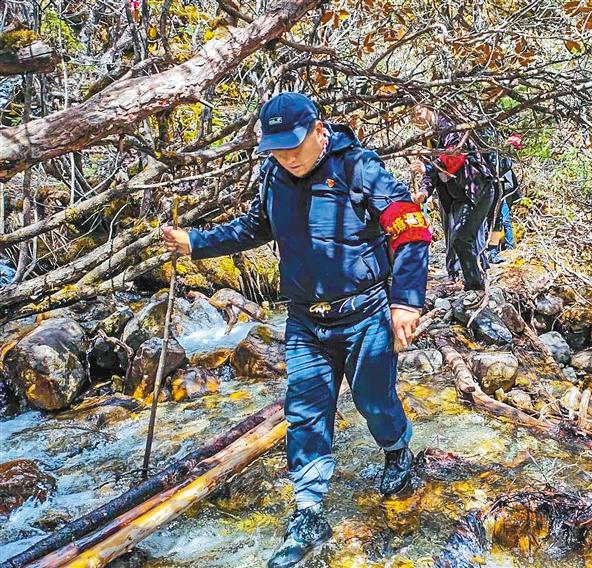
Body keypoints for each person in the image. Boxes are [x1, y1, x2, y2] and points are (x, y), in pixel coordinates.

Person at [161, 92, 431, 568]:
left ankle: (396, 450)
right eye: (277, 148)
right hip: (306, 319)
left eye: (293, 145)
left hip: (365, 314)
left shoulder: (359, 168)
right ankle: (308, 510)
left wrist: (405, 301)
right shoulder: (273, 177)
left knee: (374, 400)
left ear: (319, 131)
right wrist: (195, 243)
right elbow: (252, 228)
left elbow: (410, 229)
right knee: (304, 410)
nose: (286, 156)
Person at [409, 104, 496, 305]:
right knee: (460, 238)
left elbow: (454, 155)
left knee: (463, 237)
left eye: (418, 113)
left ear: (429, 108)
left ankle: (476, 285)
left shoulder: (448, 126)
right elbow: (429, 176)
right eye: (412, 117)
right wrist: (423, 193)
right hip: (456, 196)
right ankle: (472, 282)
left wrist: (427, 166)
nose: (416, 119)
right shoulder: (427, 140)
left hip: (476, 189)